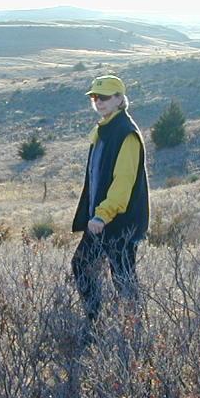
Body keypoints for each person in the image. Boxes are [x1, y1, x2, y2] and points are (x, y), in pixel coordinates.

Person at [71, 75, 150, 337]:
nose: (98, 102)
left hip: (116, 222)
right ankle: (96, 323)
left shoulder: (126, 134)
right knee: (83, 265)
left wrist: (102, 215)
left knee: (123, 278)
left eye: (104, 97)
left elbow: (123, 183)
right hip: (101, 221)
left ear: (119, 99)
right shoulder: (105, 129)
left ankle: (134, 333)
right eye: (94, 97)